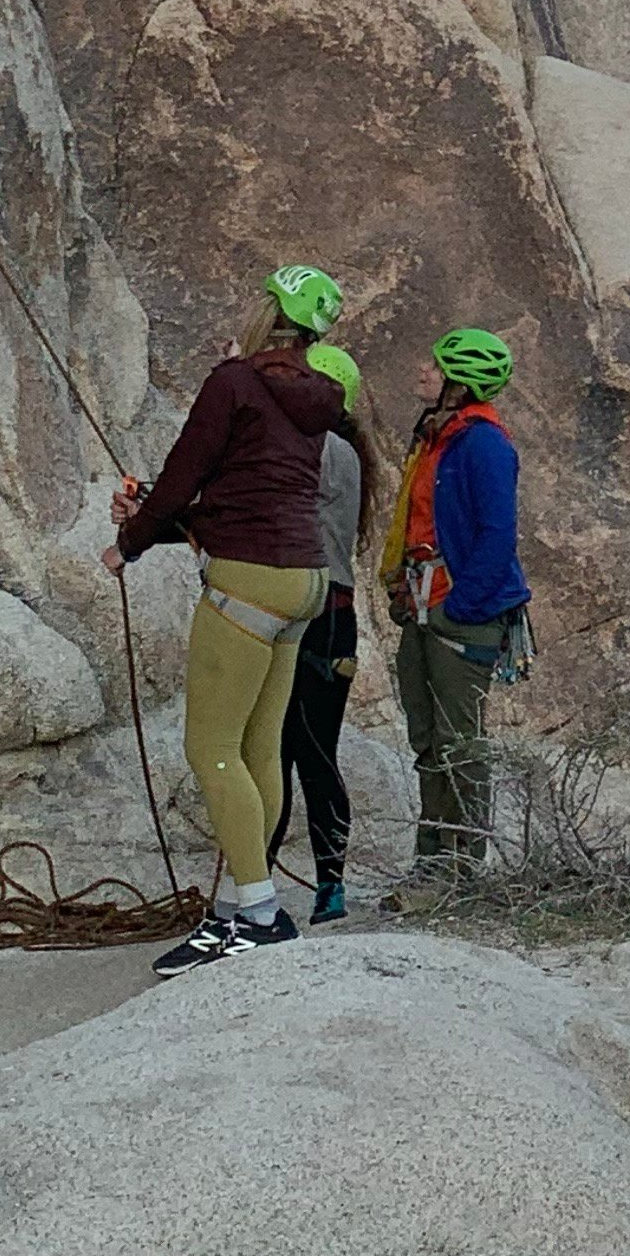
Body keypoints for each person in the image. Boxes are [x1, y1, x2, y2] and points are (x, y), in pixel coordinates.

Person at [106, 266, 352, 972]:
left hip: (245, 579)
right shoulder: (321, 396)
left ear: (267, 308)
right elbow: (249, 487)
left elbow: (192, 471)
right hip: (304, 580)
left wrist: (129, 541)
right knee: (258, 750)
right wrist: (162, 520)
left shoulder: (234, 382)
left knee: (211, 748)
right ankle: (238, 909)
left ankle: (262, 913)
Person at [381, 327, 531, 901]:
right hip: (425, 604)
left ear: (458, 382)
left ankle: (461, 868)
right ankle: (432, 861)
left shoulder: (484, 444)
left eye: (435, 365)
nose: (422, 371)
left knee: (459, 741)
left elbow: (499, 533)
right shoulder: (441, 437)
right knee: (428, 738)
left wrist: (458, 606)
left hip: (453, 610)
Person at [276, 332, 376, 926]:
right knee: (303, 752)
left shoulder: (324, 452)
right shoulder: (339, 448)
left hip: (313, 616)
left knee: (293, 753)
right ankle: (322, 884)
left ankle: (302, 882)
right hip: (330, 616)